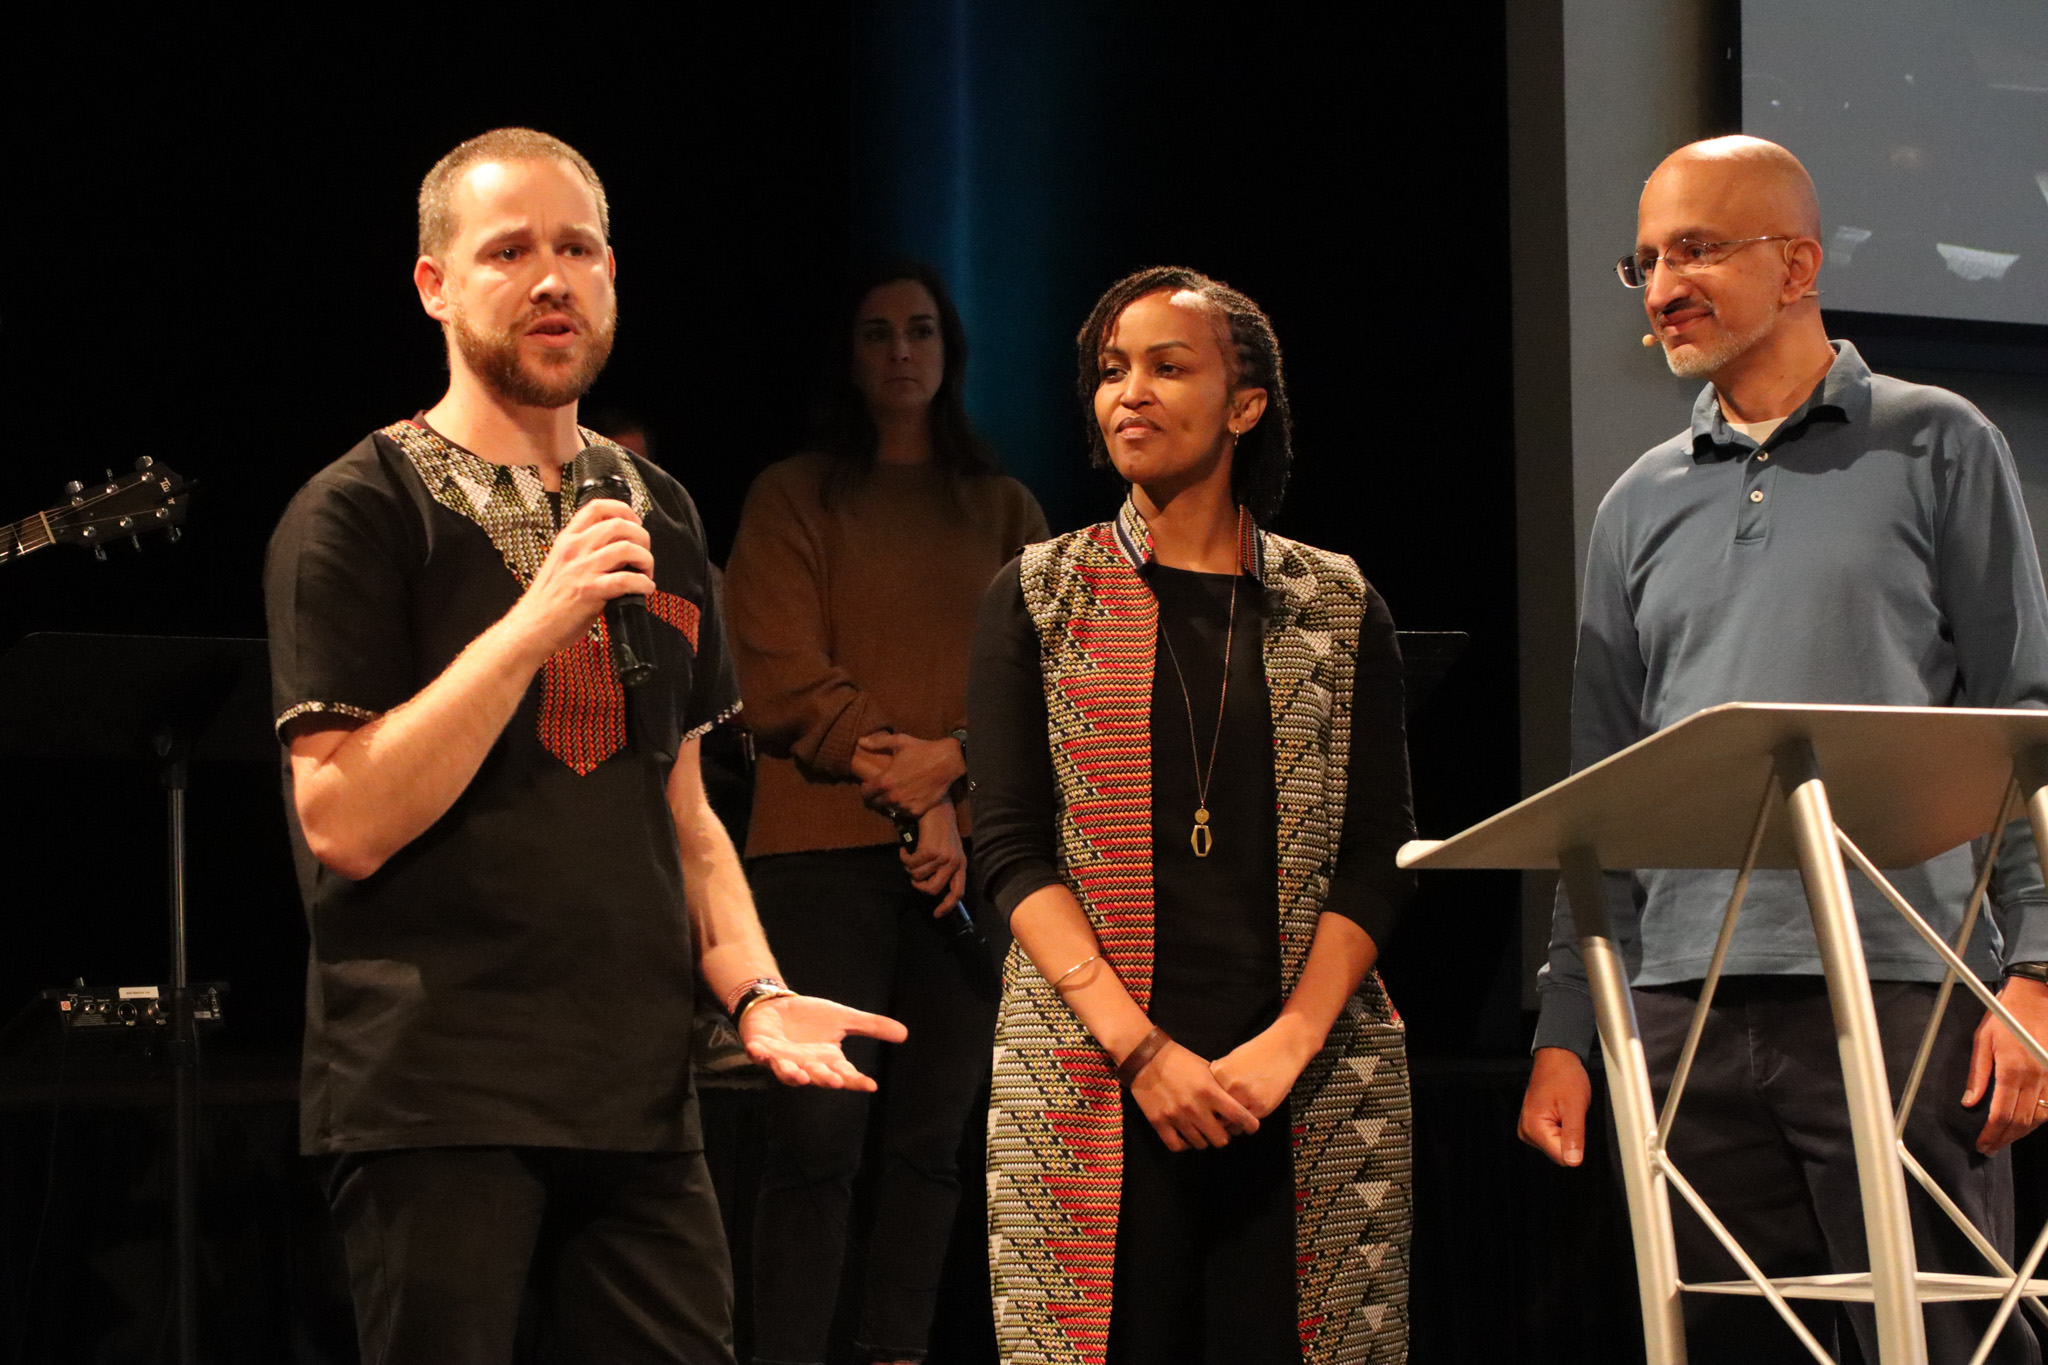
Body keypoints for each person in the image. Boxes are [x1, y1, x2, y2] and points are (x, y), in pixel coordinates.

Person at [263, 127, 904, 1365]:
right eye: (509, 251)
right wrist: (535, 620)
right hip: (438, 1096)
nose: (552, 279)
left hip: (639, 1097)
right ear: (434, 285)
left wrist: (755, 991)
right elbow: (342, 820)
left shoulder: (656, 508)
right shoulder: (357, 511)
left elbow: (684, 813)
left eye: (579, 248)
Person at [1518, 135, 2048, 1362]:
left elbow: (2022, 720)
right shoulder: (1637, 501)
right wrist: (1564, 1033)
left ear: (1797, 262)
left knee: (1944, 1340)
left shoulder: (1935, 442)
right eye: (1644, 260)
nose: (1661, 286)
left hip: (1900, 982)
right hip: (1674, 1004)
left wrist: (2035, 976)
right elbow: (1593, 786)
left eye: (1695, 248)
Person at [969, 266, 1417, 1364]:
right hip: (1092, 1083)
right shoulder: (1039, 591)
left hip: (1303, 1090)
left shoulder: (1335, 599)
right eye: (1110, 370)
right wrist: (1142, 1052)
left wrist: (1287, 1043)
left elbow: (1377, 855)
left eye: (1168, 367)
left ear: (1244, 402)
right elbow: (1011, 851)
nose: (1128, 391)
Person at [723, 260, 1047, 1365]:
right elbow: (777, 676)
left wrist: (952, 772)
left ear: (948, 351)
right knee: (816, 1139)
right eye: (875, 333)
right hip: (817, 856)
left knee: (930, 1146)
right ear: (849, 357)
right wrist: (921, 794)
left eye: (918, 331)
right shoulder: (792, 494)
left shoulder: (1004, 507)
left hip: (970, 864)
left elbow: (1040, 683)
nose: (900, 350)